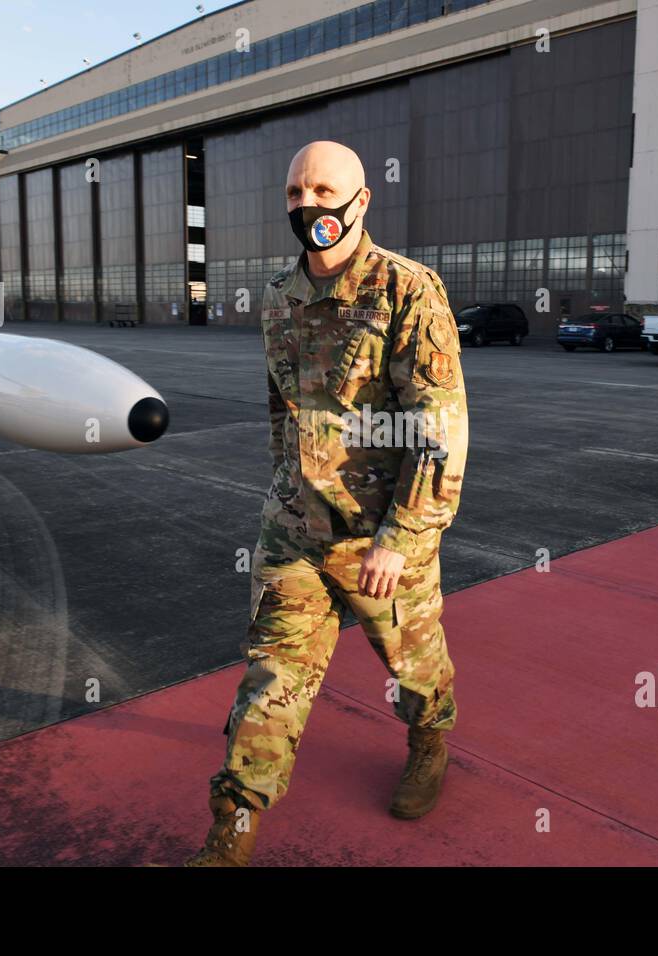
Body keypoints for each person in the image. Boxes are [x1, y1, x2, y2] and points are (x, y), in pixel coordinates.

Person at [185, 141, 469, 867]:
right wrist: (284, 487)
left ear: (361, 200)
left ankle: (429, 736)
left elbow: (439, 432)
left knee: (415, 670)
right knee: (270, 679)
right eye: (294, 193)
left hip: (382, 538)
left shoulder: (408, 290)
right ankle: (232, 834)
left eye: (322, 189)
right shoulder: (280, 297)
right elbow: (281, 410)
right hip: (295, 532)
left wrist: (400, 539)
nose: (308, 205)